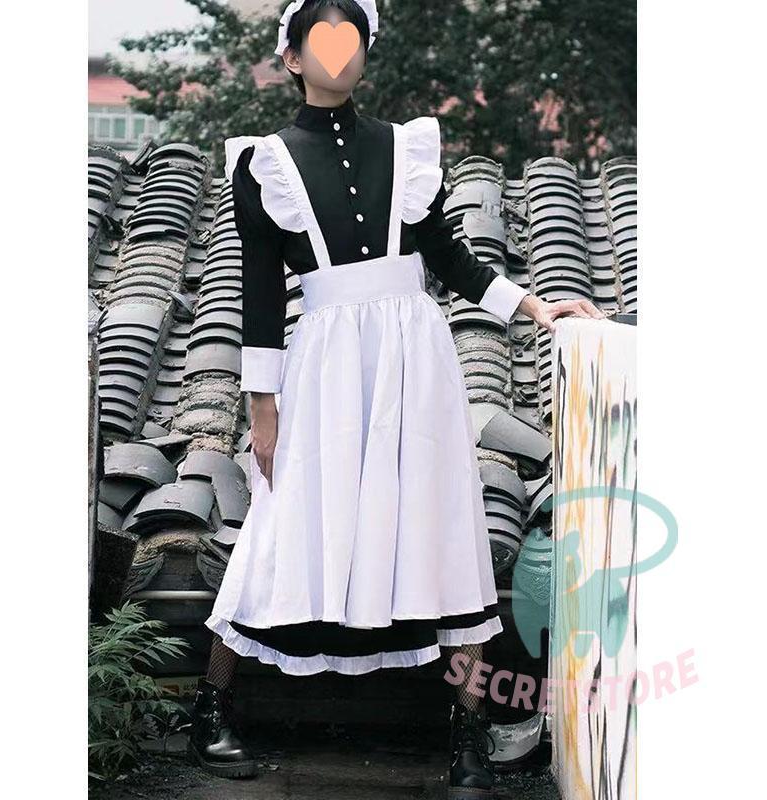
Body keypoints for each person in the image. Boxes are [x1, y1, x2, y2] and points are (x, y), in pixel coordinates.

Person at [186, 1, 604, 796]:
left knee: (444, 525)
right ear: (292, 58)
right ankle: (210, 707)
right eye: (321, 40)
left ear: (366, 52)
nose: (338, 53)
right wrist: (262, 408)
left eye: (351, 39)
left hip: (417, 357)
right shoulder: (266, 163)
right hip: (325, 364)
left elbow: (448, 254)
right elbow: (259, 294)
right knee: (283, 523)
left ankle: (468, 734)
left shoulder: (405, 148)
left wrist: (534, 305)